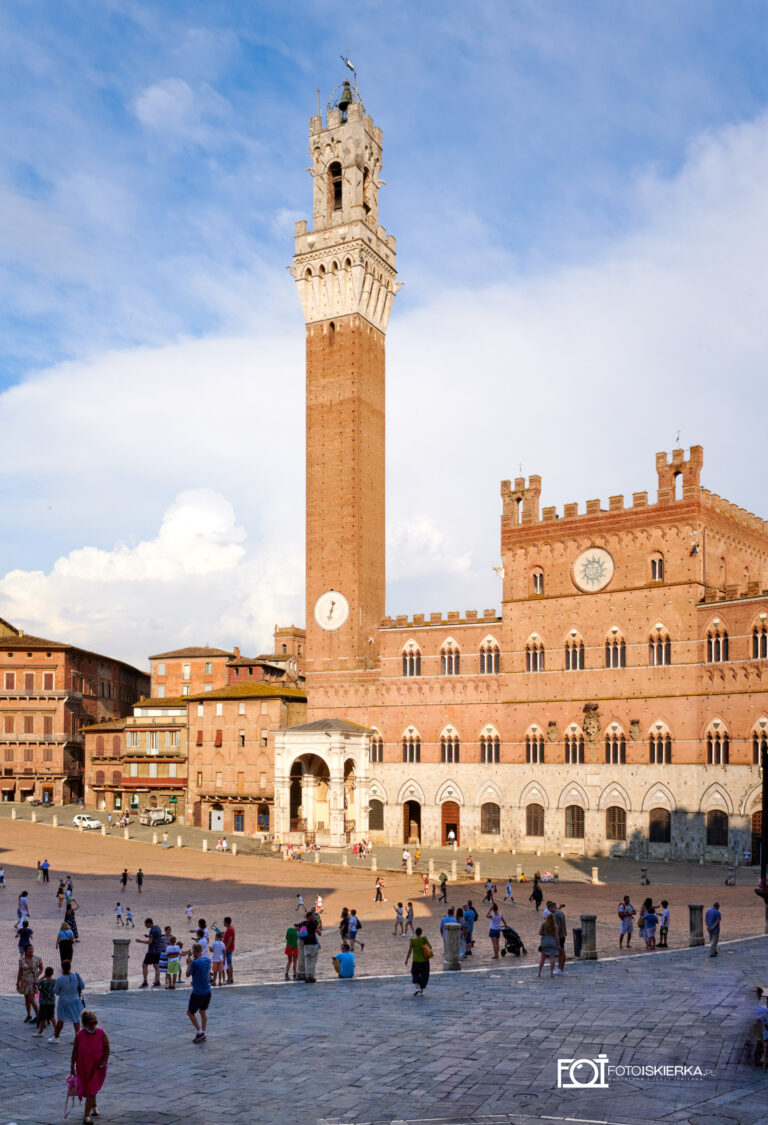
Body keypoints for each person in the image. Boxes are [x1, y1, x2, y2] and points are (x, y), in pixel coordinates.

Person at [70, 1009, 110, 1124]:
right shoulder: (80, 1035)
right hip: (83, 1067)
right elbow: (75, 1050)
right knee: (89, 1088)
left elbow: (107, 1049)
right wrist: (72, 1065)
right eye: (91, 1024)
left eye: (95, 1023)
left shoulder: (101, 1033)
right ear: (85, 1024)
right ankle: (94, 1106)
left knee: (91, 1090)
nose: (93, 1026)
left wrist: (104, 1062)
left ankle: (86, 1116)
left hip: (98, 1067)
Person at [49, 959, 84, 1043]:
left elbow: (56, 991)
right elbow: (82, 986)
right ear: (70, 966)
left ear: (62, 968)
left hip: (64, 1002)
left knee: (61, 1019)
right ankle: (77, 1038)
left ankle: (56, 1037)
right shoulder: (77, 976)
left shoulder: (60, 979)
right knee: (76, 1019)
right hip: (75, 1000)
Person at [186, 942, 212, 1043]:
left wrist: (189, 963)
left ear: (195, 952)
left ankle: (200, 1032)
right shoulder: (208, 960)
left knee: (190, 1012)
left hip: (198, 992)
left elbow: (188, 974)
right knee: (202, 1011)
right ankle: (203, 1031)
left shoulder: (195, 963)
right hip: (207, 991)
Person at [17, 944, 42, 1023]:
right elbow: (20, 972)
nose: (32, 950)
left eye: (32, 949)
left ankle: (39, 1016)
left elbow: (41, 969)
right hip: (25, 982)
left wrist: (37, 975)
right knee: (27, 999)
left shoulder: (38, 959)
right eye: (30, 949)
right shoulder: (21, 961)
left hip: (33, 982)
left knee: (31, 999)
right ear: (26, 951)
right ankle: (29, 1015)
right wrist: (17, 983)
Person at [405, 926, 432, 996]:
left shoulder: (412, 941)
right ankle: (421, 989)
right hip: (424, 961)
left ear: (415, 933)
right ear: (421, 933)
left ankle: (417, 988)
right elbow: (430, 947)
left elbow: (409, 951)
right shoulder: (424, 939)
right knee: (425, 975)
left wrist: (407, 959)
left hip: (416, 961)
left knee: (415, 973)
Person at [137, 918, 163, 987]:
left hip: (152, 951)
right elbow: (157, 937)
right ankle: (157, 981)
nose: (145, 925)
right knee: (156, 965)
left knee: (144, 965)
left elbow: (150, 941)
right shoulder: (158, 928)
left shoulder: (152, 930)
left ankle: (145, 982)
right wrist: (148, 936)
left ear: (149, 923)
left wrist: (140, 941)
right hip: (158, 950)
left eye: (145, 924)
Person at [300, 910, 321, 983]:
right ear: (309, 917)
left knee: (307, 961)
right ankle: (311, 977)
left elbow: (297, 928)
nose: (313, 916)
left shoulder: (303, 923)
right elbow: (319, 933)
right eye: (312, 915)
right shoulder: (313, 923)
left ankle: (307, 977)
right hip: (313, 944)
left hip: (306, 944)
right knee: (313, 961)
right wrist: (318, 930)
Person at [36, 965, 56, 1036]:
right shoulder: (54, 981)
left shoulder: (43, 982)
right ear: (52, 973)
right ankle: (56, 1030)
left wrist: (43, 977)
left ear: (45, 973)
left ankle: (41, 1032)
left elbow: (36, 983)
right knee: (52, 1016)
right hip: (52, 1001)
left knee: (43, 1017)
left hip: (43, 1002)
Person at [538, 913, 560, 978]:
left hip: (544, 942)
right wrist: (558, 944)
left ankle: (539, 972)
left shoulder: (543, 924)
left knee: (542, 958)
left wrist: (545, 933)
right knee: (552, 958)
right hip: (552, 942)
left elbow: (539, 933)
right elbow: (556, 936)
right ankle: (551, 973)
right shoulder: (555, 926)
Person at [222, 916, 235, 984]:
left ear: (226, 922)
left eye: (224, 921)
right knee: (229, 963)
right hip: (230, 949)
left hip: (228, 949)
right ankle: (231, 978)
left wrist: (226, 949)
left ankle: (229, 979)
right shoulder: (230, 928)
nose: (223, 923)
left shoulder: (229, 929)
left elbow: (230, 940)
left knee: (228, 964)